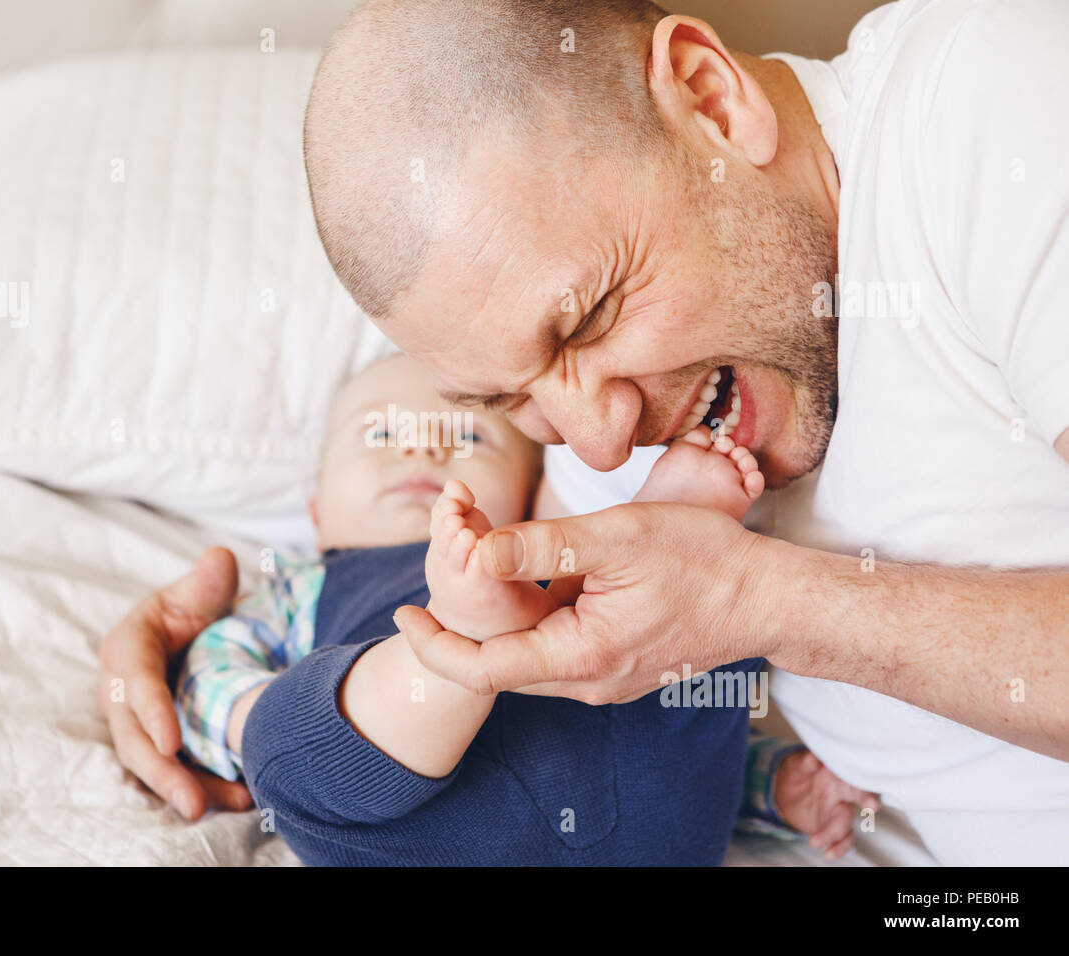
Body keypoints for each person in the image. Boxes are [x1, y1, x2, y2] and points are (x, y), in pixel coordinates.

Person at [103, 0, 1069, 864]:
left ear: (711, 99)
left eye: (589, 318)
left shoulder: (988, 107)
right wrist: (220, 659)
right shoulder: (632, 425)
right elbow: (490, 693)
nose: (604, 445)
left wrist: (765, 600)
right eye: (506, 403)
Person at [173, 353, 871, 864]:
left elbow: (686, 747)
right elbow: (208, 679)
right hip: (435, 830)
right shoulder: (300, 582)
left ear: (533, 492)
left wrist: (765, 783)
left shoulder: (554, 556)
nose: (424, 444)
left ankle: (670, 543)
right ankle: (455, 653)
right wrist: (249, 724)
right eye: (380, 435)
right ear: (318, 515)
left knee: (673, 645)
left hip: (651, 826)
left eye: (470, 438)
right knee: (280, 742)